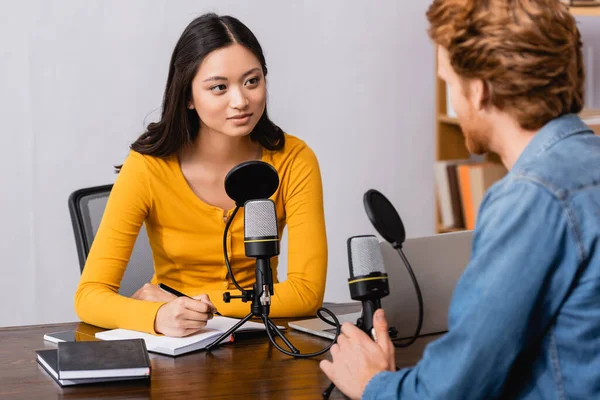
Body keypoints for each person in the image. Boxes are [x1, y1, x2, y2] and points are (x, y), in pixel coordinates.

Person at [320, 0, 600, 398]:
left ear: (480, 90)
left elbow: (451, 390)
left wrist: (372, 384)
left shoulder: (532, 198)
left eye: (449, 82)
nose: (453, 98)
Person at [74, 13, 327, 338]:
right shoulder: (147, 166)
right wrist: (158, 316)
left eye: (252, 81)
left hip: (261, 341)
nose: (241, 101)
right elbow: (90, 296)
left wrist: (190, 305)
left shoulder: (294, 159)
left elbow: (306, 294)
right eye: (219, 87)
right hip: (176, 345)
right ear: (188, 96)